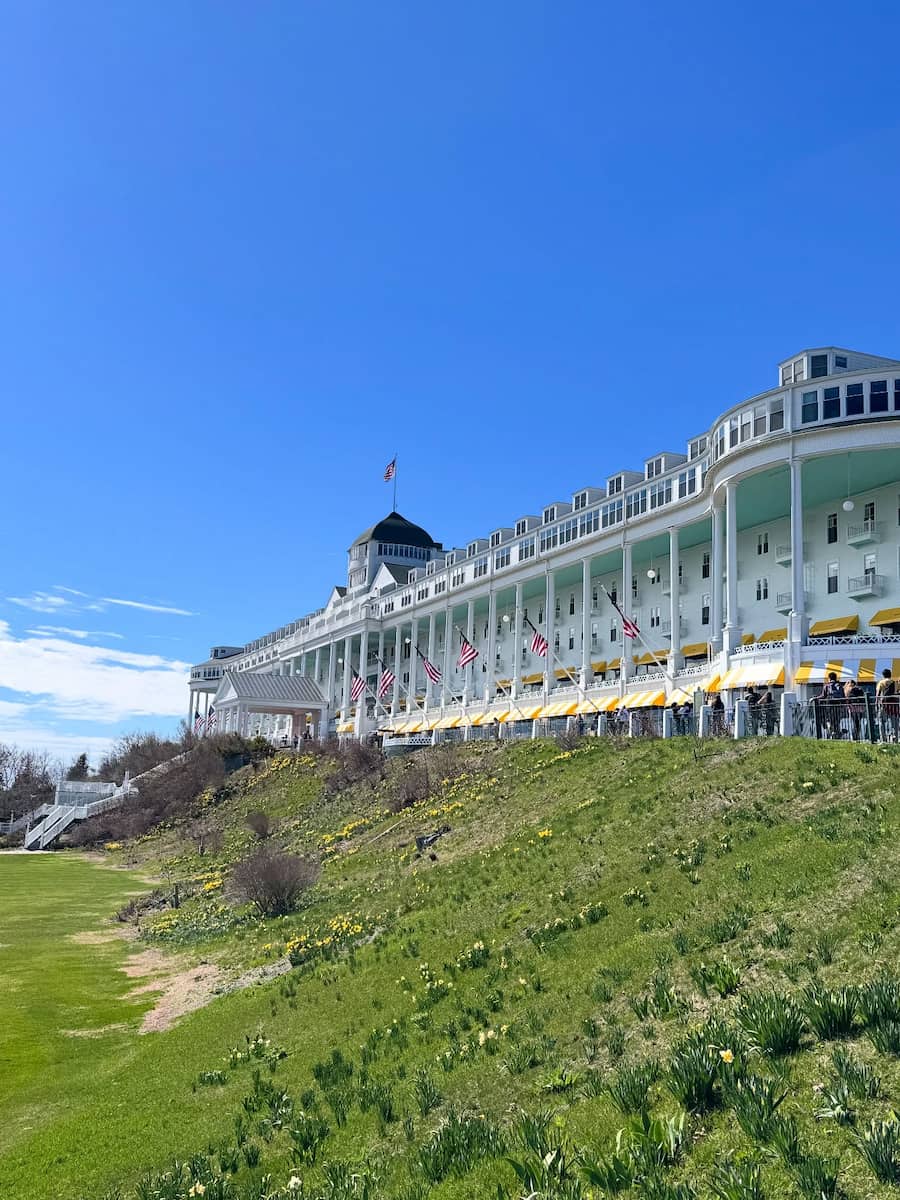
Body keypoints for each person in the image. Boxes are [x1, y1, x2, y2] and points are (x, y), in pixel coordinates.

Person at [876, 668, 898, 742]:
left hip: (884, 704)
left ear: (883, 675)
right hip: (893, 704)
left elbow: (878, 694)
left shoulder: (881, 682)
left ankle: (883, 739)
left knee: (881, 721)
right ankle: (895, 737)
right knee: (894, 721)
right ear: (890, 674)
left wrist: (876, 703)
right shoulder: (894, 682)